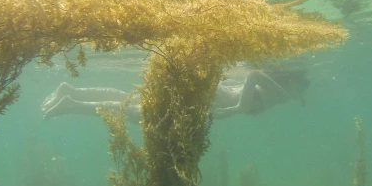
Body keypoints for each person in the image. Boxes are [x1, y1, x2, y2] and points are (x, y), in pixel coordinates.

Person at [41, 65, 309, 122]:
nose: (301, 92)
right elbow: (254, 74)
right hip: (202, 97)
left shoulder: (285, 96)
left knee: (133, 102)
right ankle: (71, 105)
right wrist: (239, 107)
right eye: (302, 87)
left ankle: (71, 93)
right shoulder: (282, 92)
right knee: (138, 112)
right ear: (295, 83)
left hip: (204, 100)